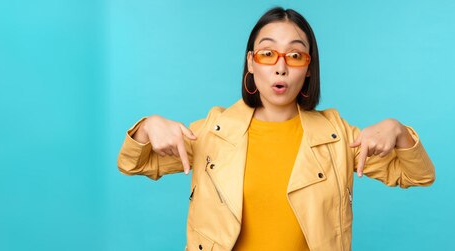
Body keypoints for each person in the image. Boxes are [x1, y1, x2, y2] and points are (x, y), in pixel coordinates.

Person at [115, 7, 435, 251]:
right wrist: (148, 126)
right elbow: (133, 163)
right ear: (252, 63)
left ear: (308, 69)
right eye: (268, 53)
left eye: (295, 55)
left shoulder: (337, 137)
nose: (280, 66)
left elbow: (418, 175)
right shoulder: (212, 133)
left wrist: (397, 130)